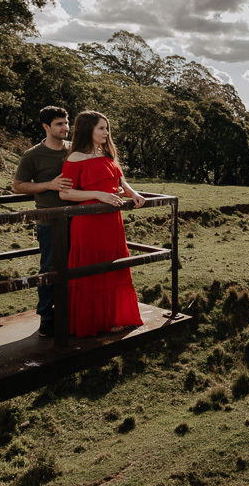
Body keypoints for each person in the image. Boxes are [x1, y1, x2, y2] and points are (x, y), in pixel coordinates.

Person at [59, 111, 145, 337]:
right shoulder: (74, 158)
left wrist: (133, 193)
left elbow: (118, 180)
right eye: (101, 129)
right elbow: (65, 194)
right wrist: (99, 195)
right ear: (88, 130)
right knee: (92, 270)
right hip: (89, 223)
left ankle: (111, 318)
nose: (106, 133)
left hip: (112, 223)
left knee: (113, 267)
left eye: (107, 128)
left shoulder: (106, 154)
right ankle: (95, 322)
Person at [13, 106, 74, 337]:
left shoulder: (74, 150)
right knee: (49, 269)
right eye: (59, 124)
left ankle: (72, 313)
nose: (65, 128)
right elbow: (18, 186)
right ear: (46, 127)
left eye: (66, 122)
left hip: (78, 219)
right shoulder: (32, 155)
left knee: (78, 266)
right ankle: (47, 318)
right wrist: (48, 185)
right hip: (49, 221)